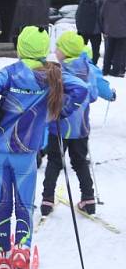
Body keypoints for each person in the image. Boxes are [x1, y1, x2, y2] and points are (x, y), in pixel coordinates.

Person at [0, 26, 88, 269]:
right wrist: (61, 111)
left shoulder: (10, 72)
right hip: (25, 152)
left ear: (21, 47)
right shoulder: (51, 74)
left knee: (2, 203)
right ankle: (21, 254)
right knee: (24, 205)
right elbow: (82, 89)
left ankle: (2, 258)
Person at [41, 32, 115, 217]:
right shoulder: (88, 70)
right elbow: (93, 95)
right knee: (80, 163)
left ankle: (47, 200)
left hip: (58, 127)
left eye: (58, 47)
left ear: (65, 52)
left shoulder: (58, 71)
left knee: (54, 162)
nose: (55, 51)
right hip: (81, 128)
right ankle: (88, 200)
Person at [101, 0, 126, 77]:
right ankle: (116, 70)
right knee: (119, 51)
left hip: (109, 29)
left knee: (109, 50)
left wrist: (104, 28)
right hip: (122, 30)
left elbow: (102, 14)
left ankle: (105, 69)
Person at [75, 0, 104, 66]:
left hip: (82, 29)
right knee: (95, 49)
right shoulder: (100, 1)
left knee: (80, 48)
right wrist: (103, 29)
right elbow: (101, 16)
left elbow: (78, 14)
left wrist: (79, 27)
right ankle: (93, 65)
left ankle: (79, 64)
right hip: (95, 30)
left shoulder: (83, 0)